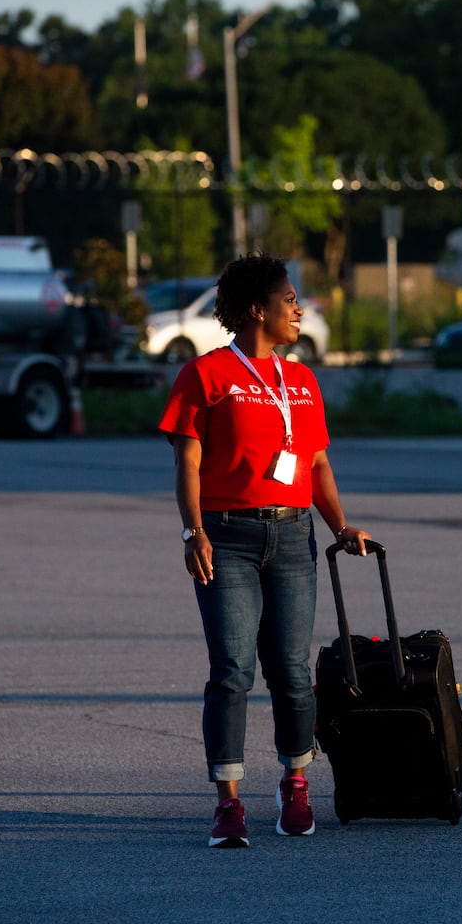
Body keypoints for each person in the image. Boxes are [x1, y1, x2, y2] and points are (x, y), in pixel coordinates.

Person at [158, 251, 370, 848]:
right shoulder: (206, 375)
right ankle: (228, 804)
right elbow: (188, 458)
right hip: (225, 538)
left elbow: (318, 461)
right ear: (258, 309)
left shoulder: (301, 380)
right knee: (231, 672)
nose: (299, 309)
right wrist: (192, 530)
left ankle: (294, 785)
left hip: (294, 535)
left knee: (293, 674)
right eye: (289, 299)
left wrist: (340, 526)